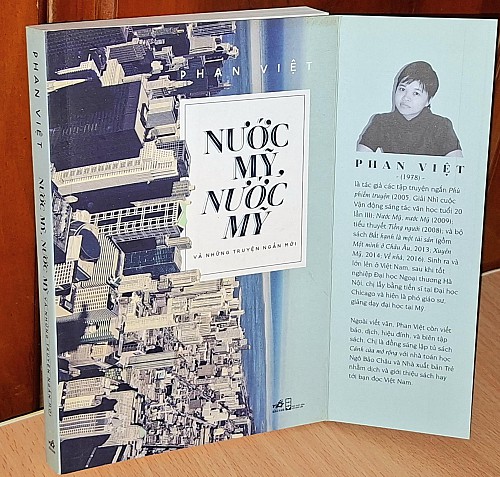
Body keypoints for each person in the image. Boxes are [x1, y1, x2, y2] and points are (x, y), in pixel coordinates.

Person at [357, 61, 462, 157]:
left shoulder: (441, 126)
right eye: (402, 89)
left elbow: (456, 167)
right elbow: (361, 161)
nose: (406, 97)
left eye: (416, 93)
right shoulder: (381, 122)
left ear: (428, 100)